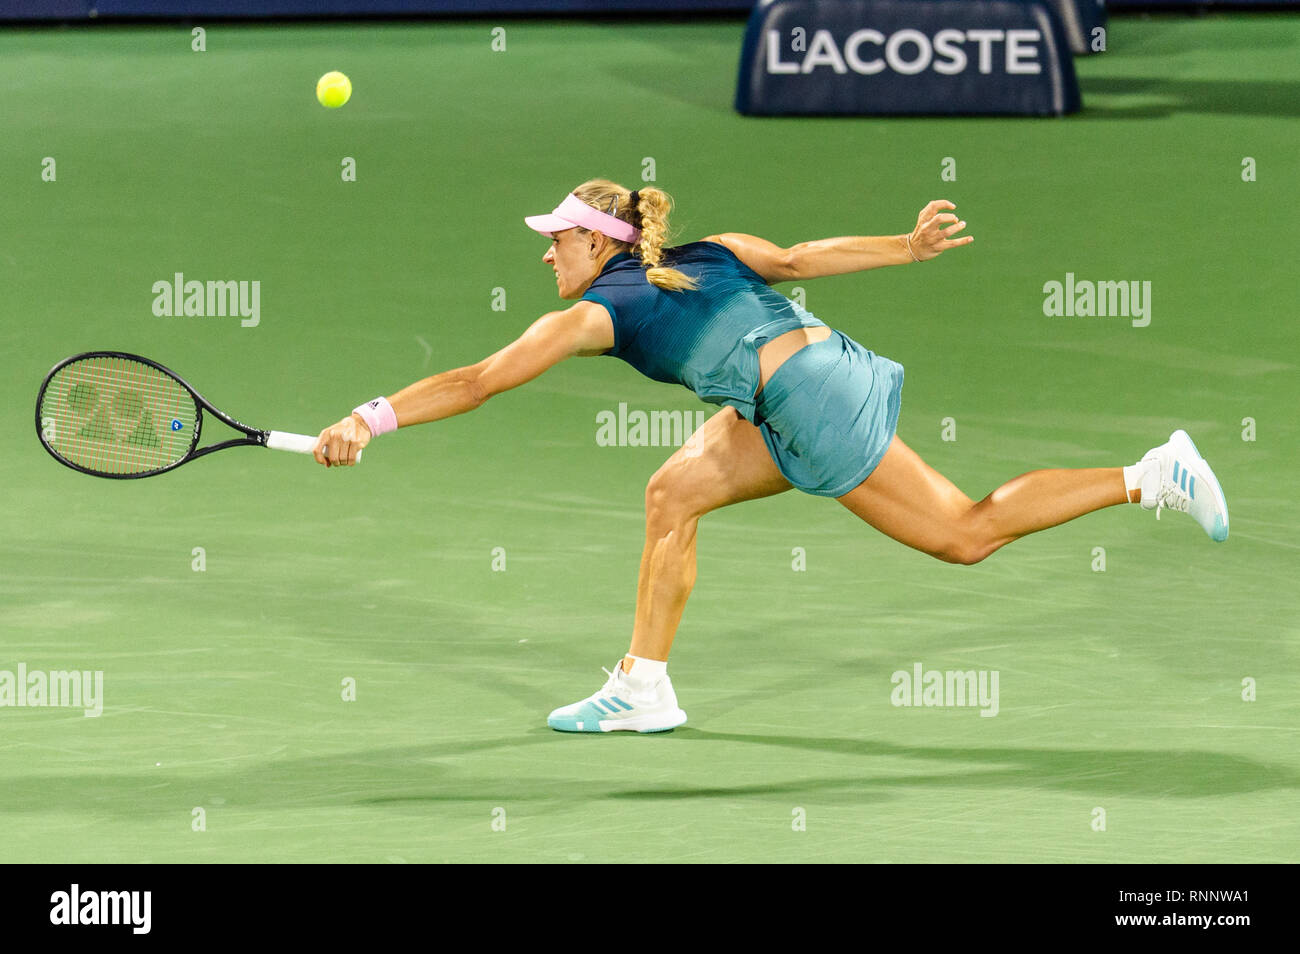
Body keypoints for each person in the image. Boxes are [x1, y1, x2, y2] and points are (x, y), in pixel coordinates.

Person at [312, 178, 1229, 734]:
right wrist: (904, 250)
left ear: (598, 241)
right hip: (797, 383)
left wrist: (370, 416)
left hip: (812, 405)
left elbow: (478, 381)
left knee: (964, 533)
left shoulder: (595, 312)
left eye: (556, 240)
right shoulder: (712, 249)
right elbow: (796, 259)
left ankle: (1150, 474)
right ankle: (643, 688)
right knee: (672, 493)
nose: (546, 254)